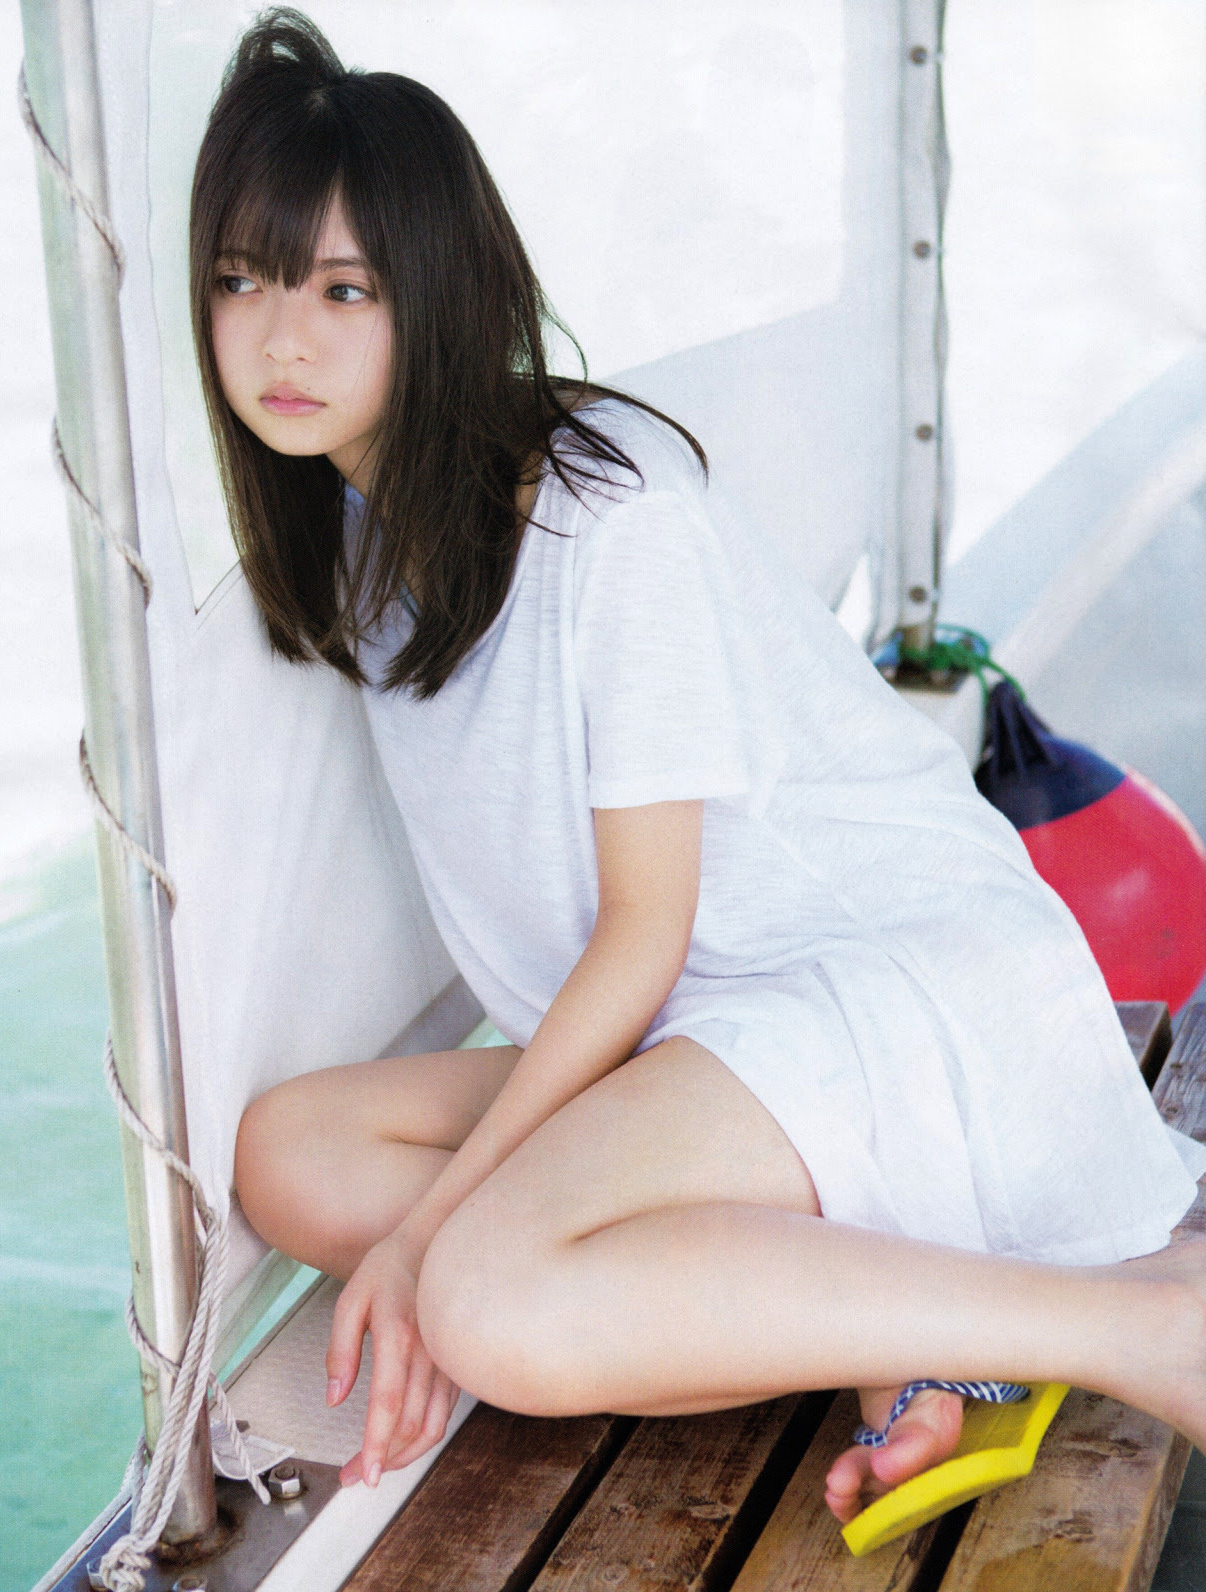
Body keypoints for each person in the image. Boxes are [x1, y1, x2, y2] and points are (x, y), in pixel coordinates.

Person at [194, 9, 1206, 1524]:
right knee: (294, 1154)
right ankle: (883, 1315)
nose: (283, 338)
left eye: (345, 288)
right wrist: (431, 1221)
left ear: (441, 292)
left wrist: (430, 1237)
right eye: (243, 280)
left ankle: (1136, 1323)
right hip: (701, 1036)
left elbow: (642, 934)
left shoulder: (610, 514)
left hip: (880, 989)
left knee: (486, 1300)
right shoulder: (368, 537)